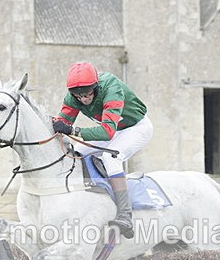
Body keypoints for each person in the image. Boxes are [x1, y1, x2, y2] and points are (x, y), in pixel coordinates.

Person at [52, 62, 153, 239]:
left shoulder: (111, 88)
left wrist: (74, 130)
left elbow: (107, 132)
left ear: (96, 87)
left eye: (86, 94)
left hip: (136, 127)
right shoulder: (72, 98)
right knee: (76, 153)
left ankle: (125, 215)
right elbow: (62, 123)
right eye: (78, 96)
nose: (83, 99)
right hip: (114, 130)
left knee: (110, 157)